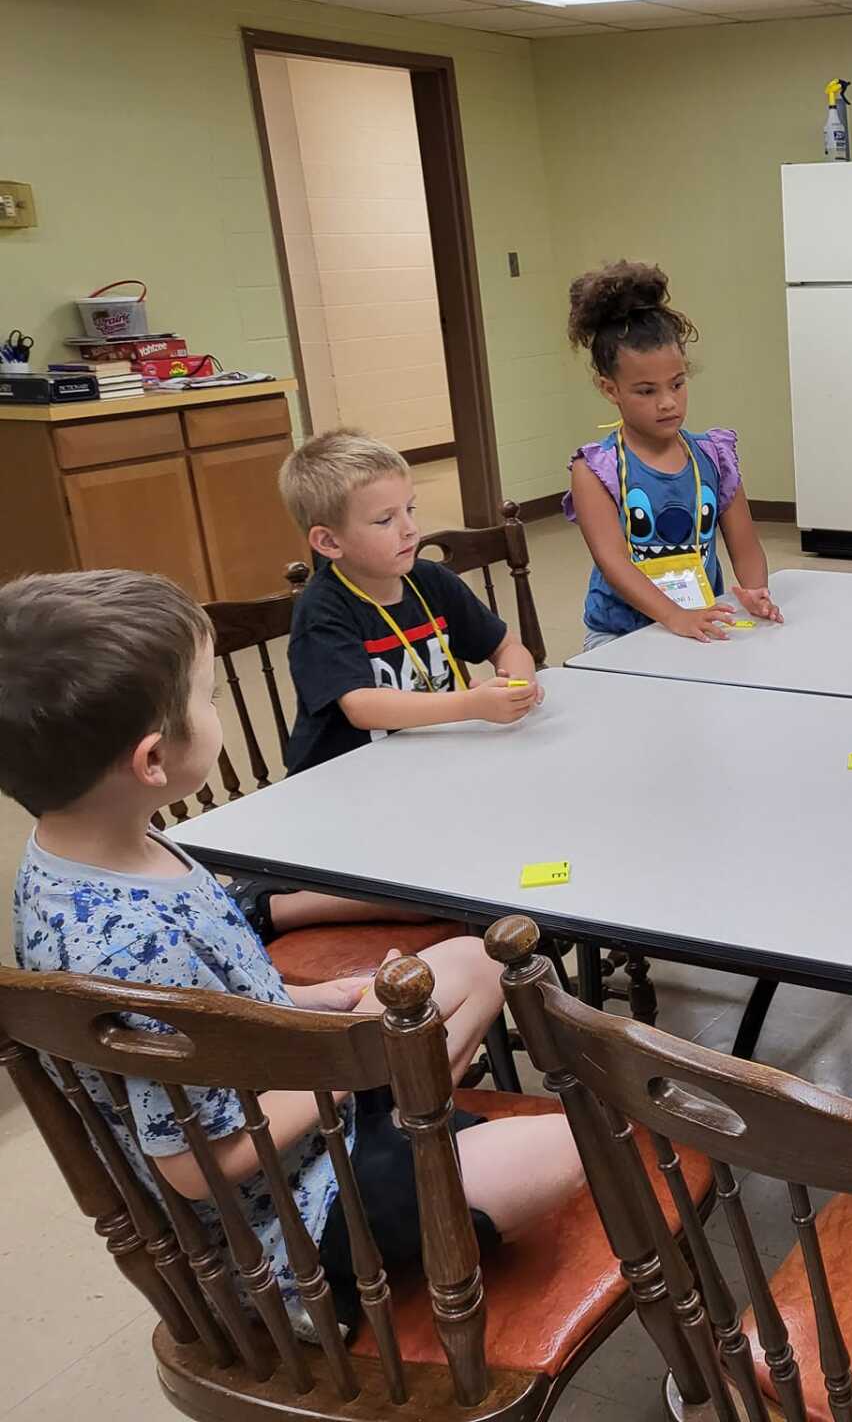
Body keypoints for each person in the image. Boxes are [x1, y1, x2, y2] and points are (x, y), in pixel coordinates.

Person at [1, 569, 585, 1337]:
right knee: (583, 1142)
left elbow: (207, 1017)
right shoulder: (127, 945)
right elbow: (193, 1166)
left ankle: (407, 1113)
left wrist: (309, 1005)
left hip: (296, 1091)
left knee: (475, 961)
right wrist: (349, 1074)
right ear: (151, 761)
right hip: (292, 1206)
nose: (214, 712)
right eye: (207, 699)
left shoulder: (90, 851)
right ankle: (311, 1284)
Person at [280, 429, 542, 775]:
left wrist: (518, 684)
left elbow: (507, 646)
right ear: (328, 541)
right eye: (385, 519)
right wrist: (470, 704)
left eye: (410, 509)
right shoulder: (323, 608)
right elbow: (362, 706)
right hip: (345, 778)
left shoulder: (429, 579)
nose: (410, 529)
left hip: (427, 759)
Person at [563, 260, 781, 647]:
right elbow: (613, 562)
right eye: (647, 391)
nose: (668, 403)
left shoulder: (714, 456)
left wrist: (755, 592)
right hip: (619, 634)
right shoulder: (597, 469)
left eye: (677, 385)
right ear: (609, 389)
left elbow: (745, 547)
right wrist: (673, 616)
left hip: (697, 623)